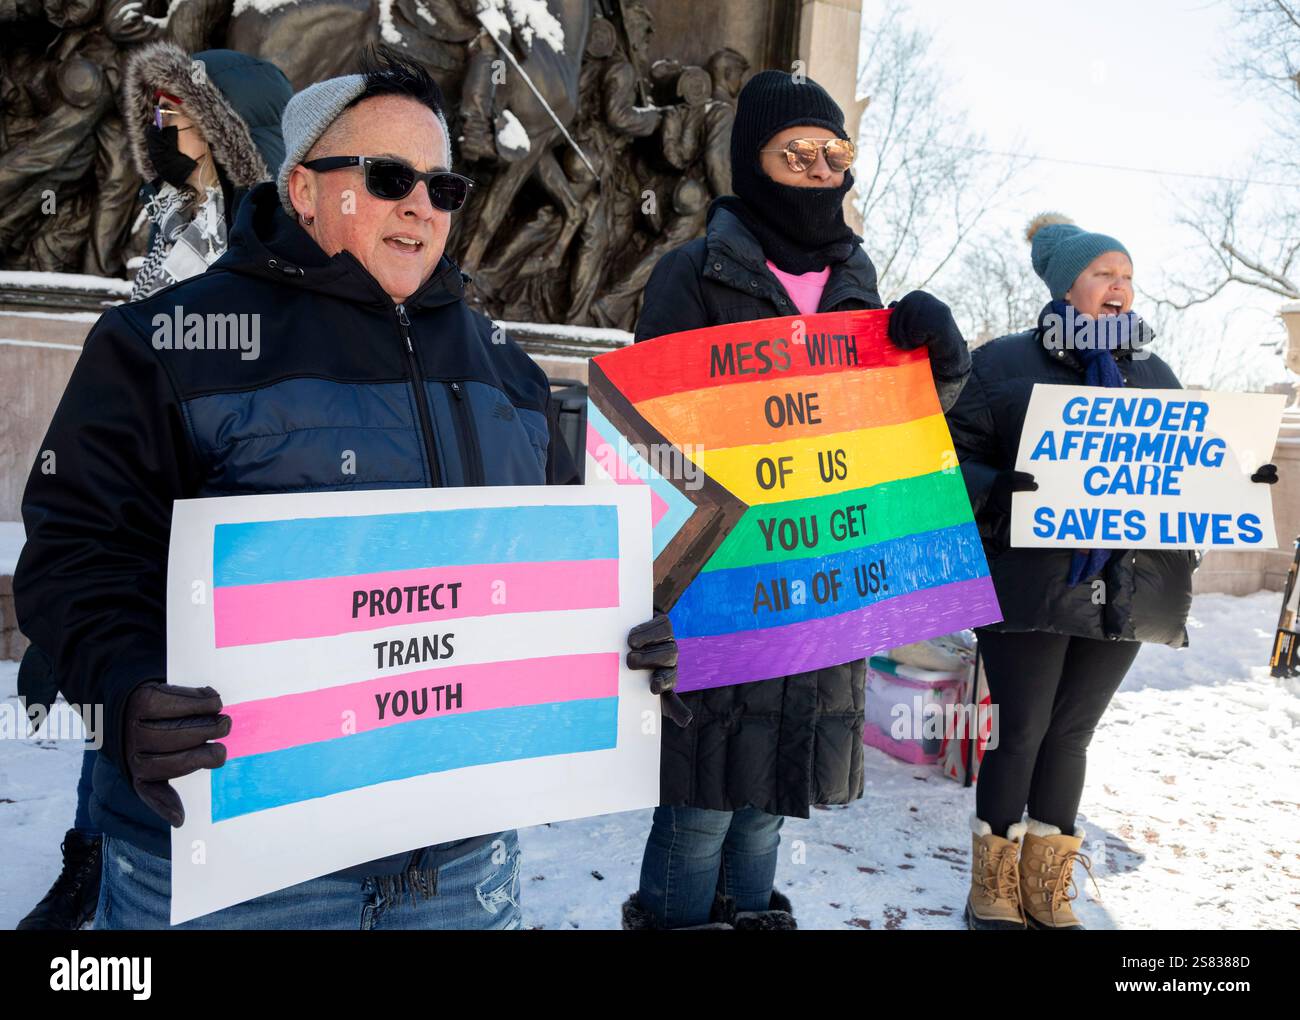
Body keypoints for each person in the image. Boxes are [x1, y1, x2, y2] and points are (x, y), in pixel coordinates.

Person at [14, 47, 678, 930]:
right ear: (302, 190)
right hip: (234, 863)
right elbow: (76, 553)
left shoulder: (507, 371)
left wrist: (621, 640)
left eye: (443, 187)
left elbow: (548, 568)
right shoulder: (162, 343)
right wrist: (128, 686)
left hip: (455, 862)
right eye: (390, 174)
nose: (420, 203)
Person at [620, 69, 972, 930]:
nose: (819, 168)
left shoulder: (862, 284)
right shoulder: (692, 272)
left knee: (771, 800)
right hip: (724, 587)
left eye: (833, 152)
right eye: (796, 152)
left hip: (823, 588)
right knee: (701, 805)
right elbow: (642, 433)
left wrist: (944, 362)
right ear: (754, 162)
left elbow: (898, 432)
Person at [945, 213, 1280, 930]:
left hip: (1123, 591)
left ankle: (1047, 885)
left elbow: (1187, 471)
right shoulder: (1001, 365)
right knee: (1022, 731)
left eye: (1127, 275)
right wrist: (996, 488)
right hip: (1030, 587)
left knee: (1071, 736)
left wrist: (1242, 481)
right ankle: (993, 889)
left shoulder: (1155, 373)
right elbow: (943, 462)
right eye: (1105, 273)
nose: (1120, 287)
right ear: (1068, 286)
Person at [124, 42, 292, 299]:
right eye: (156, 113)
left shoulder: (264, 236)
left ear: (212, 125)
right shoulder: (172, 214)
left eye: (168, 112)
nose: (158, 126)